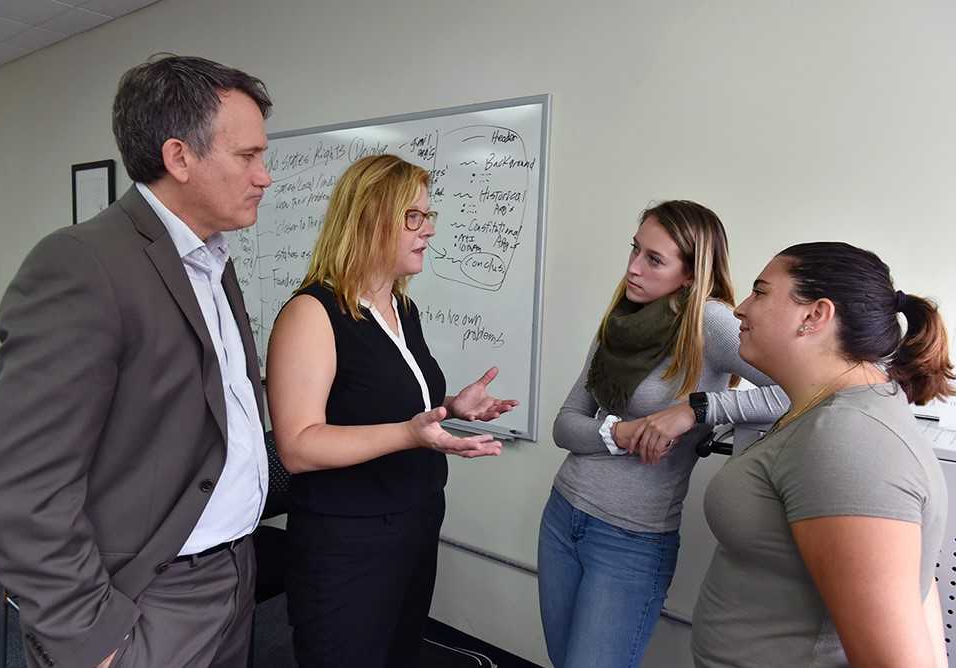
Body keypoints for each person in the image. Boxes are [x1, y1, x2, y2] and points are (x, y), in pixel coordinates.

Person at [0, 55, 273, 668]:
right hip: (145, 595)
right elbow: (24, 483)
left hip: (235, 571)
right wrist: (89, 639)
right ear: (178, 157)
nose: (264, 176)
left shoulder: (214, 262)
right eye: (248, 157)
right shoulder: (83, 263)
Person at [266, 153, 517, 667]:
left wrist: (449, 407)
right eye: (414, 217)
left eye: (429, 216)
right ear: (369, 218)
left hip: (415, 522)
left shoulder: (403, 308)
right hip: (347, 542)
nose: (427, 230)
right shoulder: (312, 313)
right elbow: (297, 445)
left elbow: (379, 405)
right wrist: (409, 433)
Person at [539, 200, 788, 668]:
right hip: (563, 515)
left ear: (691, 274)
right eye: (634, 250)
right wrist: (626, 431)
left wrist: (696, 410)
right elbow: (566, 425)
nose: (633, 269)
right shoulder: (621, 317)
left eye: (654, 259)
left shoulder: (710, 323)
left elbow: (798, 393)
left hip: (631, 539)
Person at [693, 242, 952, 668]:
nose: (740, 308)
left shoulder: (849, 439)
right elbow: (916, 594)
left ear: (814, 315)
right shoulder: (827, 414)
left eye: (760, 292)